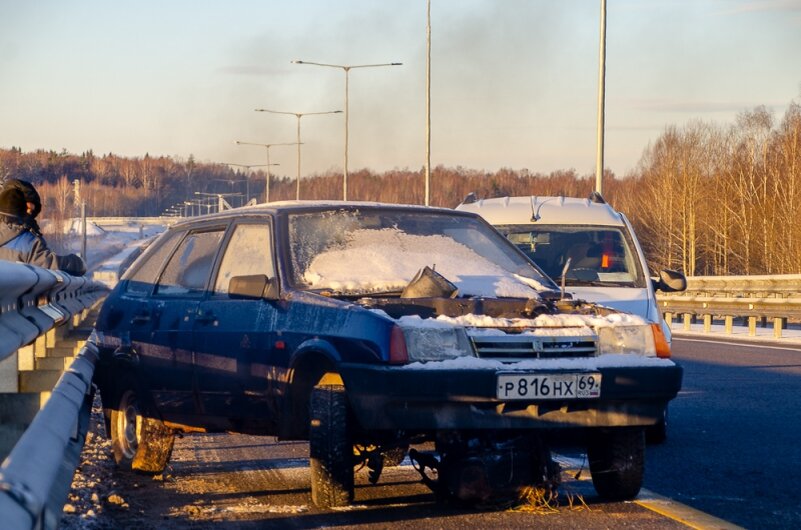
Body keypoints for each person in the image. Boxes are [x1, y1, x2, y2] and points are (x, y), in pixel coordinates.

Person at [0, 180, 86, 276]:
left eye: (32, 211)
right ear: (14, 205)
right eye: (27, 209)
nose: (30, 214)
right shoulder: (29, 243)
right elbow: (49, 265)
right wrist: (76, 263)